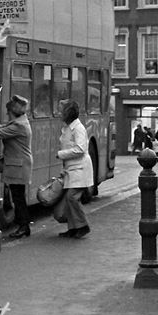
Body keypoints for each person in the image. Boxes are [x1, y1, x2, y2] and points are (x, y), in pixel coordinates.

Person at [0, 95, 33, 239]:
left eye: (7, 112)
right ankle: (23, 225)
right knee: (18, 196)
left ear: (11, 111)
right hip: (19, 165)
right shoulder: (20, 122)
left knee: (18, 198)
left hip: (19, 166)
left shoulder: (18, 125)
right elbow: (2, 128)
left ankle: (23, 227)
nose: (6, 114)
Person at [56, 100, 93, 238]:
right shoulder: (67, 128)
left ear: (68, 113)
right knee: (69, 199)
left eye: (61, 110)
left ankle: (83, 226)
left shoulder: (78, 128)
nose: (59, 113)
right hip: (71, 168)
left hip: (80, 168)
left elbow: (80, 149)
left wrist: (60, 155)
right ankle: (73, 228)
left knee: (71, 197)